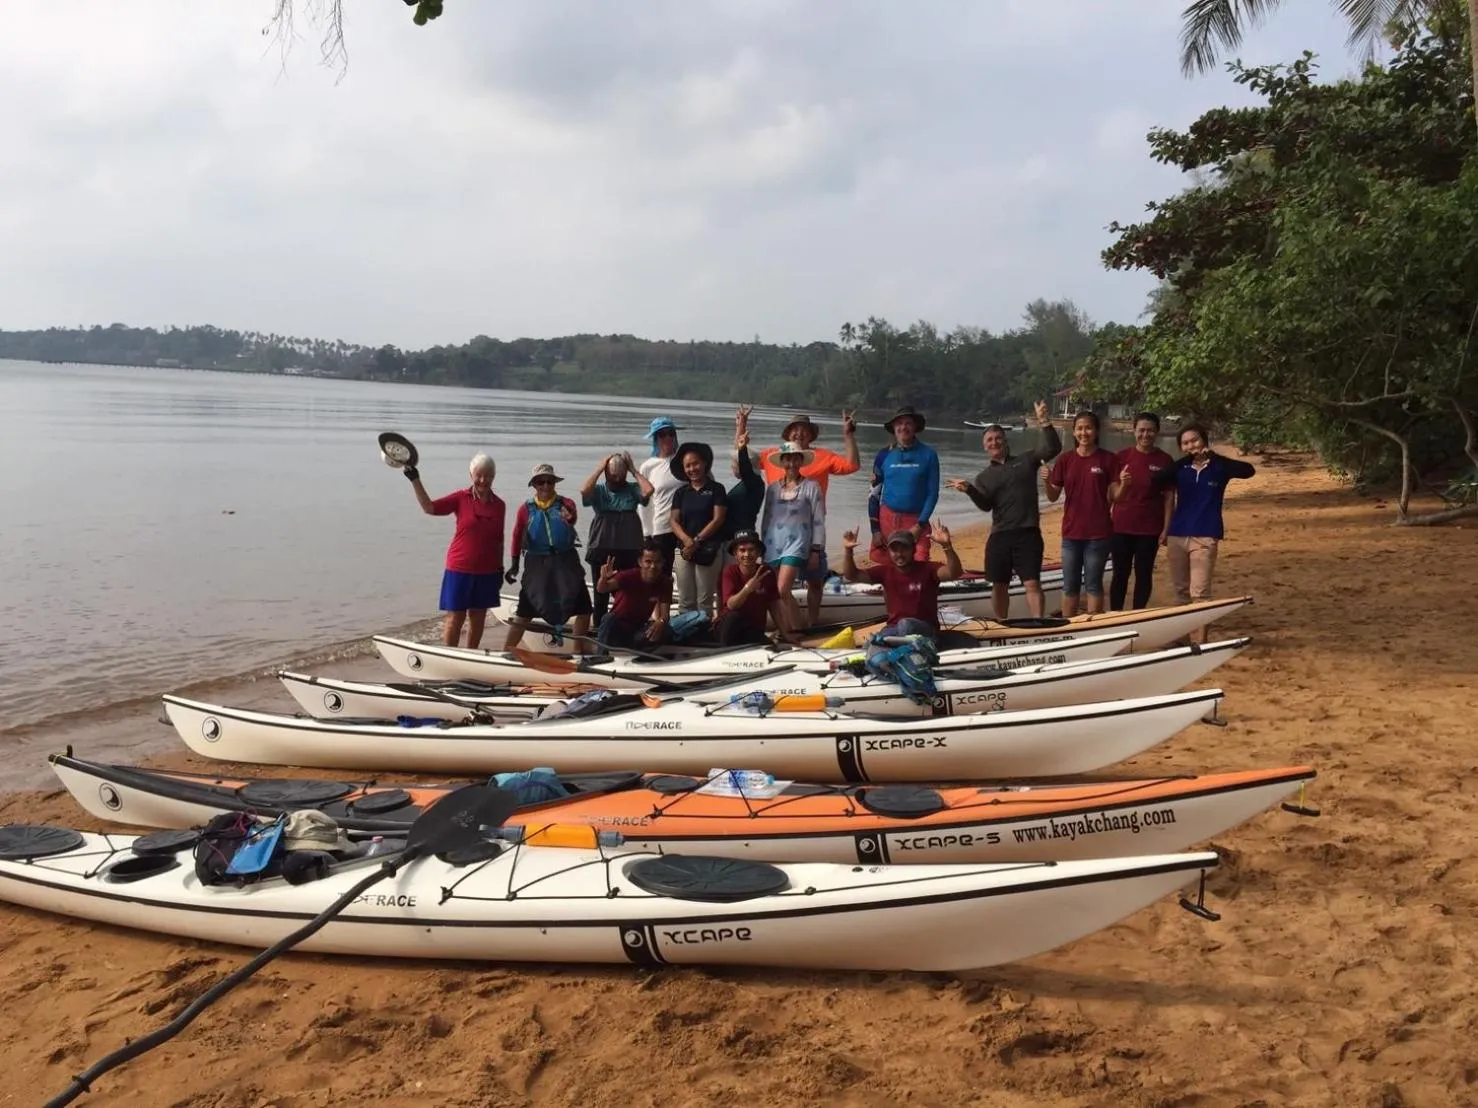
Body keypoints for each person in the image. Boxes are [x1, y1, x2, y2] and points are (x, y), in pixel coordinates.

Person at [947, 399, 1060, 619]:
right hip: (1000, 536)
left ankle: (1039, 623)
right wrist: (969, 489)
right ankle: (1002, 623)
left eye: (998, 437)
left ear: (1005, 440)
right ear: (984, 446)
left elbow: (1053, 447)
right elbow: (986, 506)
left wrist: (1044, 421)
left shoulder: (1027, 460)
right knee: (999, 585)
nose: (994, 442)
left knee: (1032, 583)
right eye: (989, 439)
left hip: (1028, 533)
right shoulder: (984, 477)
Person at [747, 410, 859, 626]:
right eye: (794, 429)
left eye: (804, 430)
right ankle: (788, 626)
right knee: (780, 587)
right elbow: (741, 462)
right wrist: (741, 429)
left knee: (814, 581)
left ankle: (811, 624)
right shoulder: (772, 457)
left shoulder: (823, 458)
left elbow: (852, 465)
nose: (799, 433)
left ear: (811, 435)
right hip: (776, 540)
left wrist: (848, 435)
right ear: (787, 434)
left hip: (808, 533)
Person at [1152, 424, 1257, 641]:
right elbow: (1157, 479)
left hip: (1205, 535)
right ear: (1181, 447)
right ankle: (1183, 638)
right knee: (1181, 592)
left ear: (1204, 441)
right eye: (1186, 443)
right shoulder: (1181, 468)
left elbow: (1248, 471)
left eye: (1195, 441)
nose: (1191, 445)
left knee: (1199, 593)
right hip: (1178, 534)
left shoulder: (1219, 468)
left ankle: (1199, 642)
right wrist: (1189, 459)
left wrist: (1215, 457)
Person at [402, 452, 505, 648]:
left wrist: (500, 569)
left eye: (488, 475)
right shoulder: (461, 498)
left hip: (488, 571)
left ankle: (471, 656)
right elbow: (429, 508)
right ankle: (450, 656)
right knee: (455, 617)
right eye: (479, 475)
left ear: (494, 476)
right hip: (459, 568)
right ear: (471, 475)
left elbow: (499, 539)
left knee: (478, 616)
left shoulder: (499, 505)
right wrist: (415, 480)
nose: (483, 480)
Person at [503, 464, 593, 653]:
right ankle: (507, 650)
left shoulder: (566, 503)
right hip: (538, 566)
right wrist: (514, 565)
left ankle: (578, 651)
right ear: (534, 485)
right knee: (525, 612)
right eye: (540, 482)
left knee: (584, 608)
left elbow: (572, 518)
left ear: (554, 483)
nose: (545, 486)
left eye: (549, 481)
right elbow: (517, 536)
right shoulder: (525, 509)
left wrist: (569, 519)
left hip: (566, 563)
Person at [1045, 410, 1121, 617]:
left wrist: (1126, 484)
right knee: (1069, 585)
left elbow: (1116, 495)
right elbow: (1052, 496)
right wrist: (1046, 479)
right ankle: (1068, 627)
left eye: (1088, 428)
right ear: (1074, 432)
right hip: (1071, 533)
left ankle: (1093, 627)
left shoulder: (1108, 459)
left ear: (1096, 431)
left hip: (1099, 534)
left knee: (1093, 584)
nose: (1083, 432)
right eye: (1079, 428)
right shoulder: (1065, 460)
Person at [840, 522, 963, 645]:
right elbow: (852, 575)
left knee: (906, 625)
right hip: (894, 629)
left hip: (926, 631)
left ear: (914, 549)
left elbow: (954, 573)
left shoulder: (928, 569)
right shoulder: (884, 571)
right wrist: (848, 551)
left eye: (904, 549)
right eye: (894, 550)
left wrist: (947, 546)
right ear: (889, 552)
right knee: (871, 644)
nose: (899, 554)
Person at [759, 441, 827, 637]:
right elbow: (766, 518)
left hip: (797, 544)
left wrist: (816, 549)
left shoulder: (811, 487)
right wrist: (762, 548)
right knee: (775, 592)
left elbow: (818, 520)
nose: (791, 462)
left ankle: (798, 632)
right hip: (773, 544)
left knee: (782, 589)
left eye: (795, 458)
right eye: (787, 458)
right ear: (782, 462)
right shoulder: (772, 489)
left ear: (800, 461)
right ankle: (785, 628)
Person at [1109, 412, 1175, 610]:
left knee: (1143, 573)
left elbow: (1169, 497)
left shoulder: (1165, 460)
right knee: (1120, 573)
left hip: (1149, 529)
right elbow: (1111, 494)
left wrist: (1166, 528)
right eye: (1142, 430)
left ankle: (1138, 614)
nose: (1146, 435)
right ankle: (1115, 615)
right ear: (1134, 431)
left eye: (1150, 430)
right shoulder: (1121, 457)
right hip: (1120, 526)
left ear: (1157, 432)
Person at [579, 452, 654, 624]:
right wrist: (599, 468)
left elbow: (649, 490)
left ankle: (628, 625)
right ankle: (600, 631)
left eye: (620, 474)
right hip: (602, 548)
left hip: (629, 549)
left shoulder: (632, 489)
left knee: (630, 592)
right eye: (612, 474)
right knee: (601, 597)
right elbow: (584, 490)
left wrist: (634, 470)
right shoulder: (599, 491)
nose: (617, 478)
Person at [668, 441, 728, 618]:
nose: (692, 468)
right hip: (684, 550)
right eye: (687, 465)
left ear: (704, 464)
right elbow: (673, 520)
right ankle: (686, 633)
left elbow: (718, 519)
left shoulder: (716, 489)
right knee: (686, 599)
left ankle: (705, 633)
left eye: (695, 463)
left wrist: (697, 540)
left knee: (704, 599)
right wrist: (687, 541)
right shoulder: (681, 493)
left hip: (708, 549)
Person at [872, 406, 940, 561]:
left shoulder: (929, 455)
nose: (903, 427)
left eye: (908, 423)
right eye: (899, 423)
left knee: (919, 562)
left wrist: (920, 525)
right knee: (884, 566)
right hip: (887, 519)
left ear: (915, 427)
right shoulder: (883, 455)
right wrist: (875, 530)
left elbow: (932, 494)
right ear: (894, 427)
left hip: (916, 520)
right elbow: (874, 494)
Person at [593, 540, 672, 650]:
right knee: (608, 618)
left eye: (657, 562)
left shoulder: (665, 582)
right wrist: (603, 578)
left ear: (663, 562)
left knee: (665, 629)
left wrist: (661, 622)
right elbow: (602, 589)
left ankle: (643, 656)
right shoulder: (628, 576)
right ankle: (600, 655)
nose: (653, 566)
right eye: (648, 562)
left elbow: (665, 614)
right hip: (618, 626)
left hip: (638, 628)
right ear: (640, 562)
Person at [717, 530, 786, 645]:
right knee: (734, 616)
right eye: (742, 550)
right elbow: (731, 605)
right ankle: (722, 653)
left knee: (767, 645)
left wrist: (785, 632)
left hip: (754, 630)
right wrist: (747, 588)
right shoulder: (729, 571)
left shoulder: (767, 572)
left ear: (758, 552)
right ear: (735, 554)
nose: (747, 554)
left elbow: (774, 605)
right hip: (730, 628)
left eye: (751, 550)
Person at [637, 416, 686, 572]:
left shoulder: (686, 461)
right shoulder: (647, 467)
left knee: (685, 572)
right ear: (655, 438)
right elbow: (643, 505)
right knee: (661, 575)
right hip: (661, 530)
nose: (667, 438)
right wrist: (646, 533)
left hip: (686, 530)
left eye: (671, 433)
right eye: (662, 434)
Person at [722, 407, 766, 543]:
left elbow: (743, 462)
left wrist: (742, 449)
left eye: (735, 464)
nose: (732, 466)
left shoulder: (753, 483)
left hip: (742, 540)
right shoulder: (750, 483)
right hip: (734, 537)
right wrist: (740, 426)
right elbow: (739, 453)